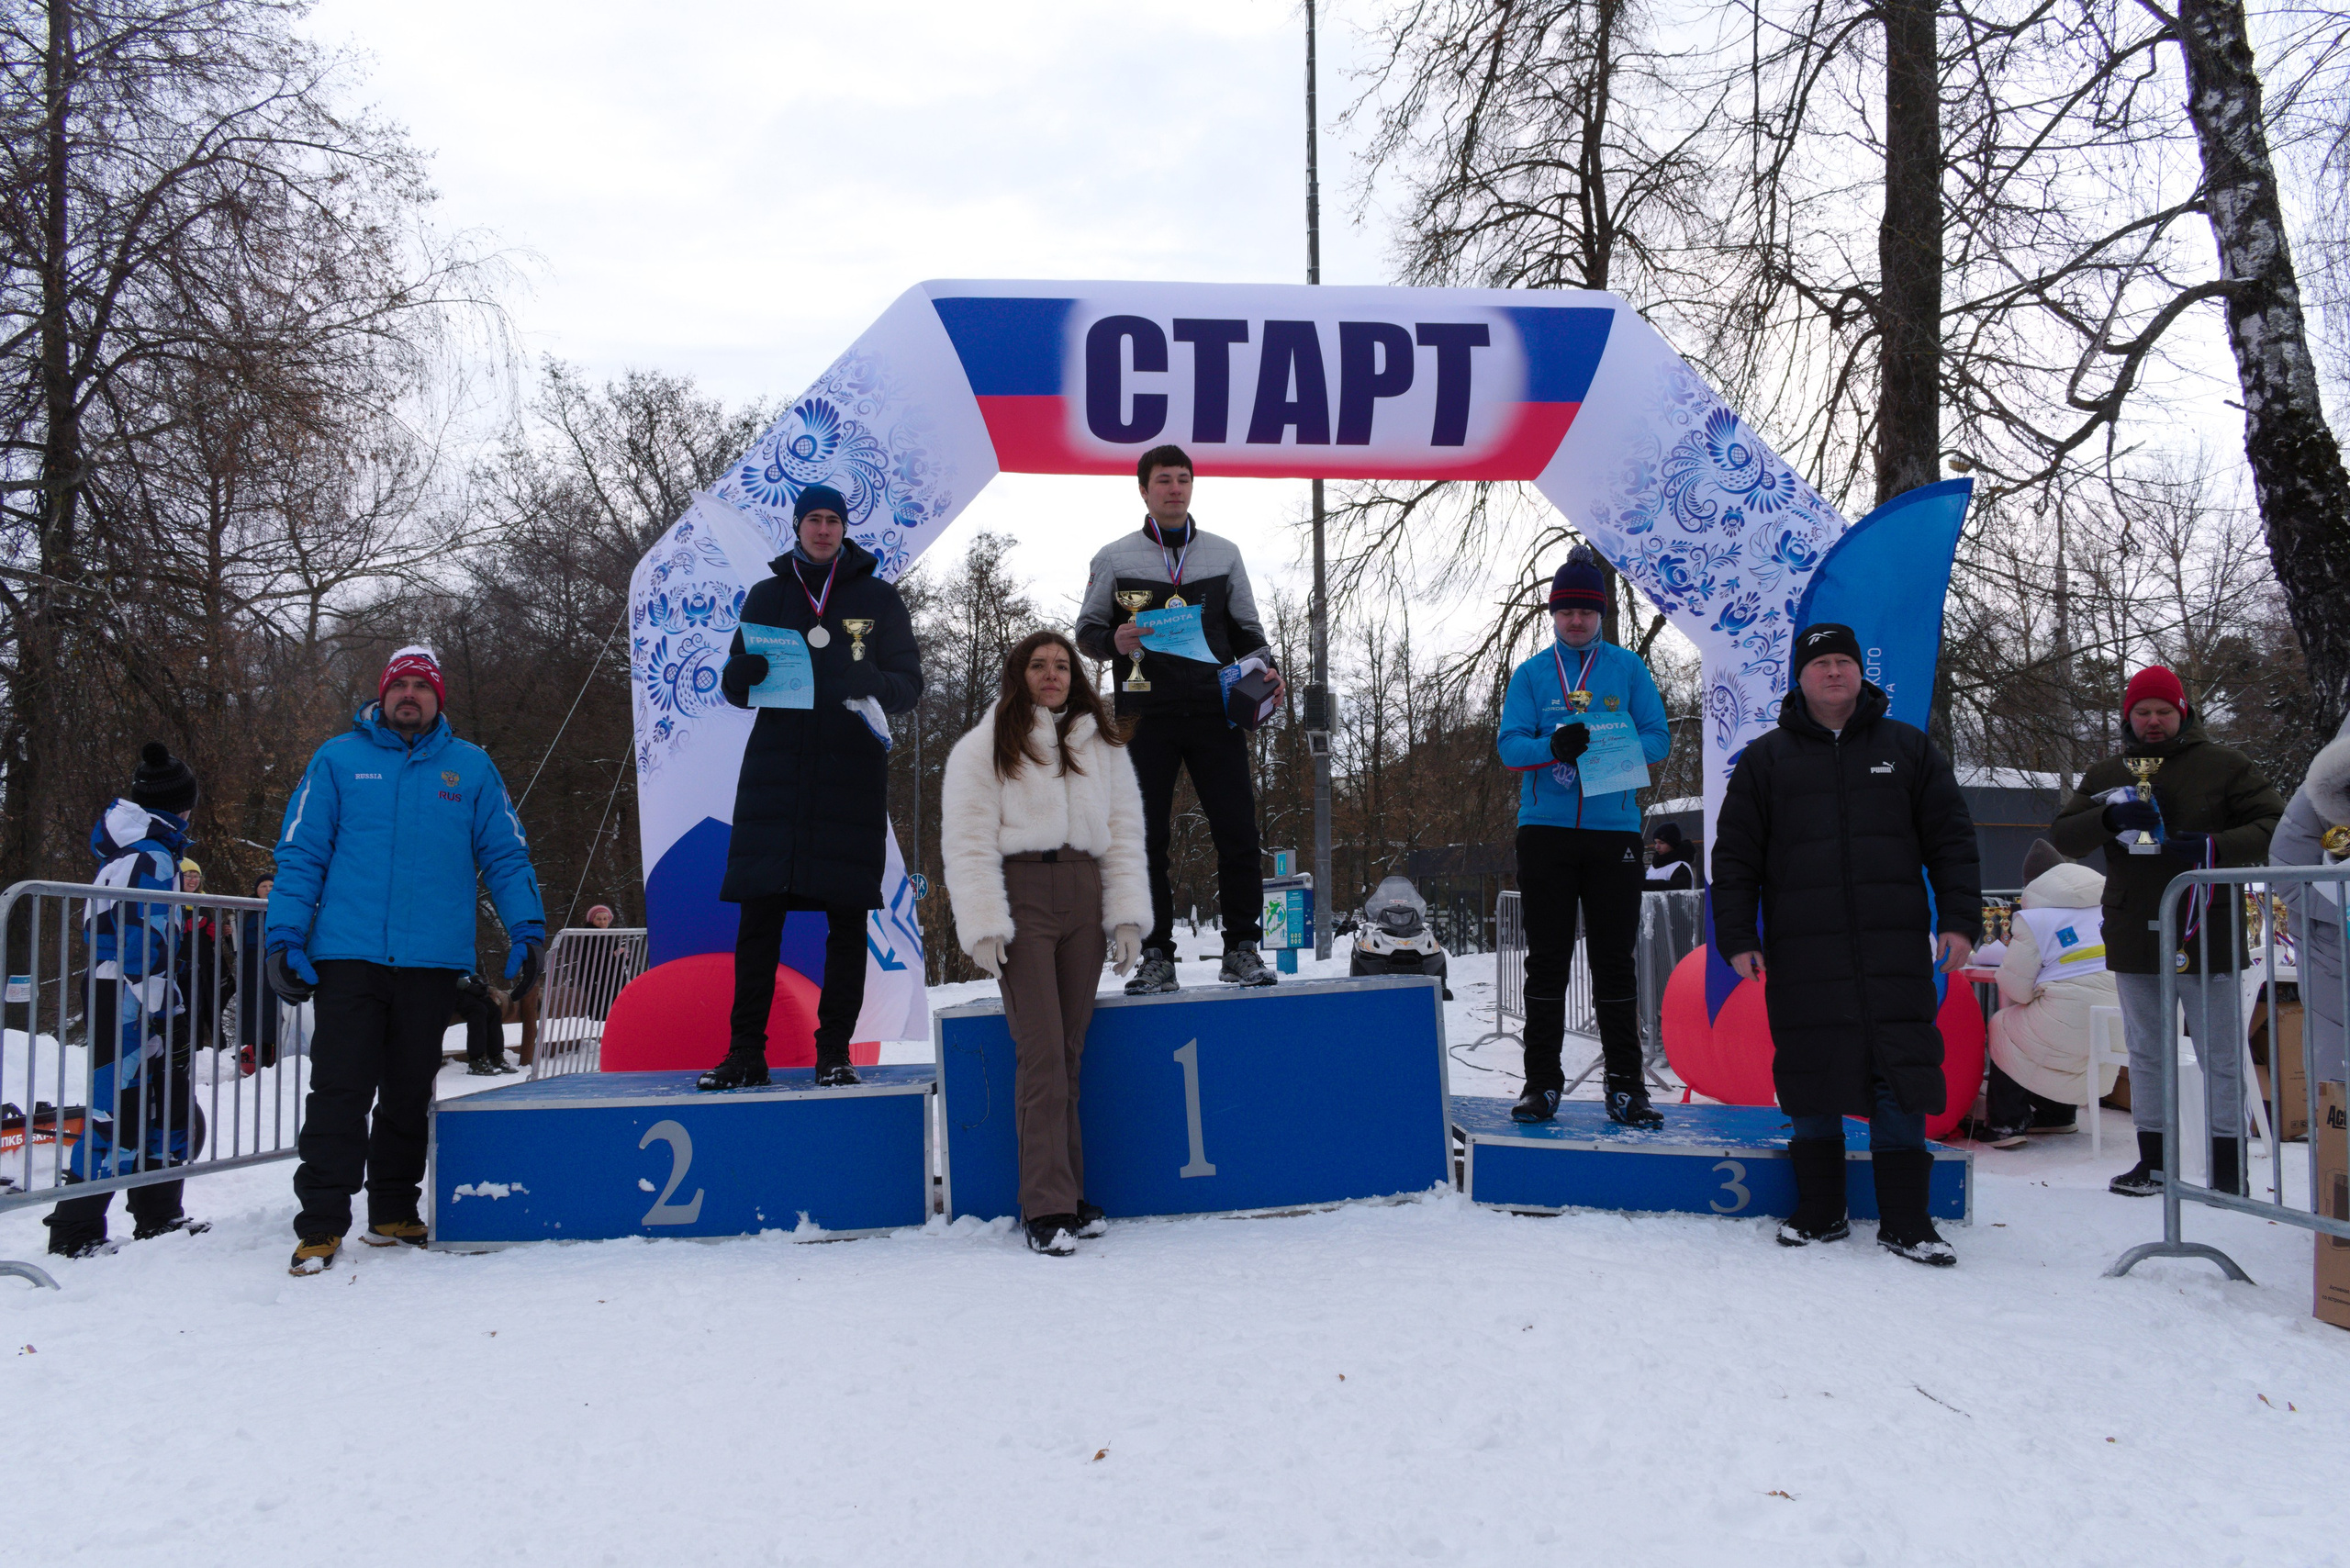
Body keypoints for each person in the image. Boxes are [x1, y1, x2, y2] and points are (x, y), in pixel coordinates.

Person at [266, 646, 544, 1274]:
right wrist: (285, 935)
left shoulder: (471, 768)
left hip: (430, 961)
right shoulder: (337, 760)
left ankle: (393, 1209)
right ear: (383, 695)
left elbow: (505, 854)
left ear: (439, 698)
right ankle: (320, 1224)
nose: (410, 695)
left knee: (407, 1091)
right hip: (348, 955)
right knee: (339, 1090)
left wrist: (527, 930)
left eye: (423, 686)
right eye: (401, 686)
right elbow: (302, 852)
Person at [1712, 622, 1981, 1266]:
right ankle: (1821, 1211)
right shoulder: (1765, 760)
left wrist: (1960, 920)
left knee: (1901, 1074)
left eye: (1844, 662)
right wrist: (1738, 936)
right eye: (1820, 663)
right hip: (1804, 952)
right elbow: (1735, 859)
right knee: (1811, 1073)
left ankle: (1907, 1221)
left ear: (1861, 673)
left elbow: (1952, 841)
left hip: (1893, 950)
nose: (1833, 672)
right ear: (1799, 678)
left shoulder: (1909, 750)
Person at [703, 484, 923, 1092]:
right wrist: (737, 677)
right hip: (776, 774)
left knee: (847, 921)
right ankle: (746, 1052)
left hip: (849, 778)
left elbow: (910, 687)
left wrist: (874, 676)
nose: (823, 530)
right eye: (813, 520)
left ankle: (834, 1052)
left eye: (833, 520)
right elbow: (737, 687)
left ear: (844, 528)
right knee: (758, 920)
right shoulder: (768, 596)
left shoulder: (878, 598)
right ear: (797, 526)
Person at [941, 631, 1151, 1255]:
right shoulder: (984, 747)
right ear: (1019, 673)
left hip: (1084, 892)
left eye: (1062, 665)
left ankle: (1068, 1193)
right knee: (1040, 1056)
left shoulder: (1102, 745)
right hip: (1023, 893)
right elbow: (968, 839)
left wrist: (1127, 917)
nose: (1052, 674)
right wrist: (982, 922)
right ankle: (1045, 1206)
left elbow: (1123, 830)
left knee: (1069, 1053)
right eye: (1039, 665)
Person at [2052, 666, 2284, 1198]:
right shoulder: (2108, 770)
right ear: (2128, 716)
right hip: (2135, 929)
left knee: (2219, 1053)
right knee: (2148, 1052)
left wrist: (2212, 847)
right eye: (2142, 712)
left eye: (2162, 711)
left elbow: (2273, 825)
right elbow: (2064, 833)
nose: (2153, 722)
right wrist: (2109, 821)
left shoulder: (2226, 766)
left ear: (2183, 712)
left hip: (2207, 926)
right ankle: (2153, 1165)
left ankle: (2229, 1170)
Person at [1073, 445, 1284, 995]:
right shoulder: (1115, 558)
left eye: (1182, 480)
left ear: (1193, 487)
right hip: (1145, 717)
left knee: (1238, 833)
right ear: (1142, 490)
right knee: (1145, 839)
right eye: (1163, 480)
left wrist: (1267, 673)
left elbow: (1250, 635)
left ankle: (1242, 947)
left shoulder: (1225, 554)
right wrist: (1113, 641)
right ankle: (1155, 954)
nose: (1174, 489)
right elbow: (1087, 633)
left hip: (1217, 716)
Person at [1494, 546, 1673, 1127]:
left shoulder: (1627, 669)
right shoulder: (1531, 675)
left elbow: (1658, 739)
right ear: (1552, 613)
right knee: (1547, 962)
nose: (1576, 621)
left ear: (1601, 614)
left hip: (1613, 832)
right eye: (1567, 610)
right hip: (1544, 831)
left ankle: (1626, 1088)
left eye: (1587, 611)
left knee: (1614, 962)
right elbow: (1509, 746)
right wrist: (1553, 747)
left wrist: (1609, 749)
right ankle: (1541, 1084)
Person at [42, 745, 212, 1258]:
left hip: (131, 993)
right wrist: (166, 1012)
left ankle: (159, 1215)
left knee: (165, 1107)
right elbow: (143, 943)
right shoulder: (153, 856)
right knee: (118, 1110)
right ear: (182, 804)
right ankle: (76, 1228)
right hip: (133, 998)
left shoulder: (137, 849)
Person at [1976, 839, 2119, 1147]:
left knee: (2005, 1025)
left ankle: (2006, 1123)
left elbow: (2016, 989)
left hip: (2074, 1022)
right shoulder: (2110, 907)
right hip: (2123, 1024)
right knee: (2052, 1032)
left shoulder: (2035, 919)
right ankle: (2058, 1114)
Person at [2270, 713, 2347, 1088]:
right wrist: (2343, 907)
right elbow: (2287, 869)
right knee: (2339, 1076)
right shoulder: (2325, 786)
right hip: (2334, 953)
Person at [170, 859, 234, 1061]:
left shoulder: (206, 902)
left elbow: (212, 938)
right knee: (188, 1009)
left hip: (206, 966)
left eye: (196, 876)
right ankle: (189, 1051)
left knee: (209, 1008)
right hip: (181, 966)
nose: (192, 880)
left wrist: (220, 932)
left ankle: (214, 1053)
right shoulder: (172, 900)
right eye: (187, 875)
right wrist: (184, 929)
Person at [235, 873, 282, 1076]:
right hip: (253, 967)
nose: (268, 889)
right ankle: (257, 1055)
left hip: (276, 963)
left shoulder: (284, 909)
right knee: (255, 1010)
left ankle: (277, 1055)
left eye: (272, 885)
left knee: (275, 1010)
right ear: (256, 890)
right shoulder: (247, 912)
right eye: (263, 885)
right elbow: (239, 945)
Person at [453, 972, 514, 1076]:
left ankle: (495, 1056)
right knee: (478, 1010)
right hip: (446, 987)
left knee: (494, 1010)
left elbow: (467, 965)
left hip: (463, 985)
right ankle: (476, 1060)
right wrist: (468, 986)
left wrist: (477, 979)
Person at [1645, 822, 1697, 890]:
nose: (1657, 847)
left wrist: (1644, 885)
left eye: (1662, 843)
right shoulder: (1654, 865)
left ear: (1673, 844)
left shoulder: (1681, 867)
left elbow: (1679, 891)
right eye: (1655, 843)